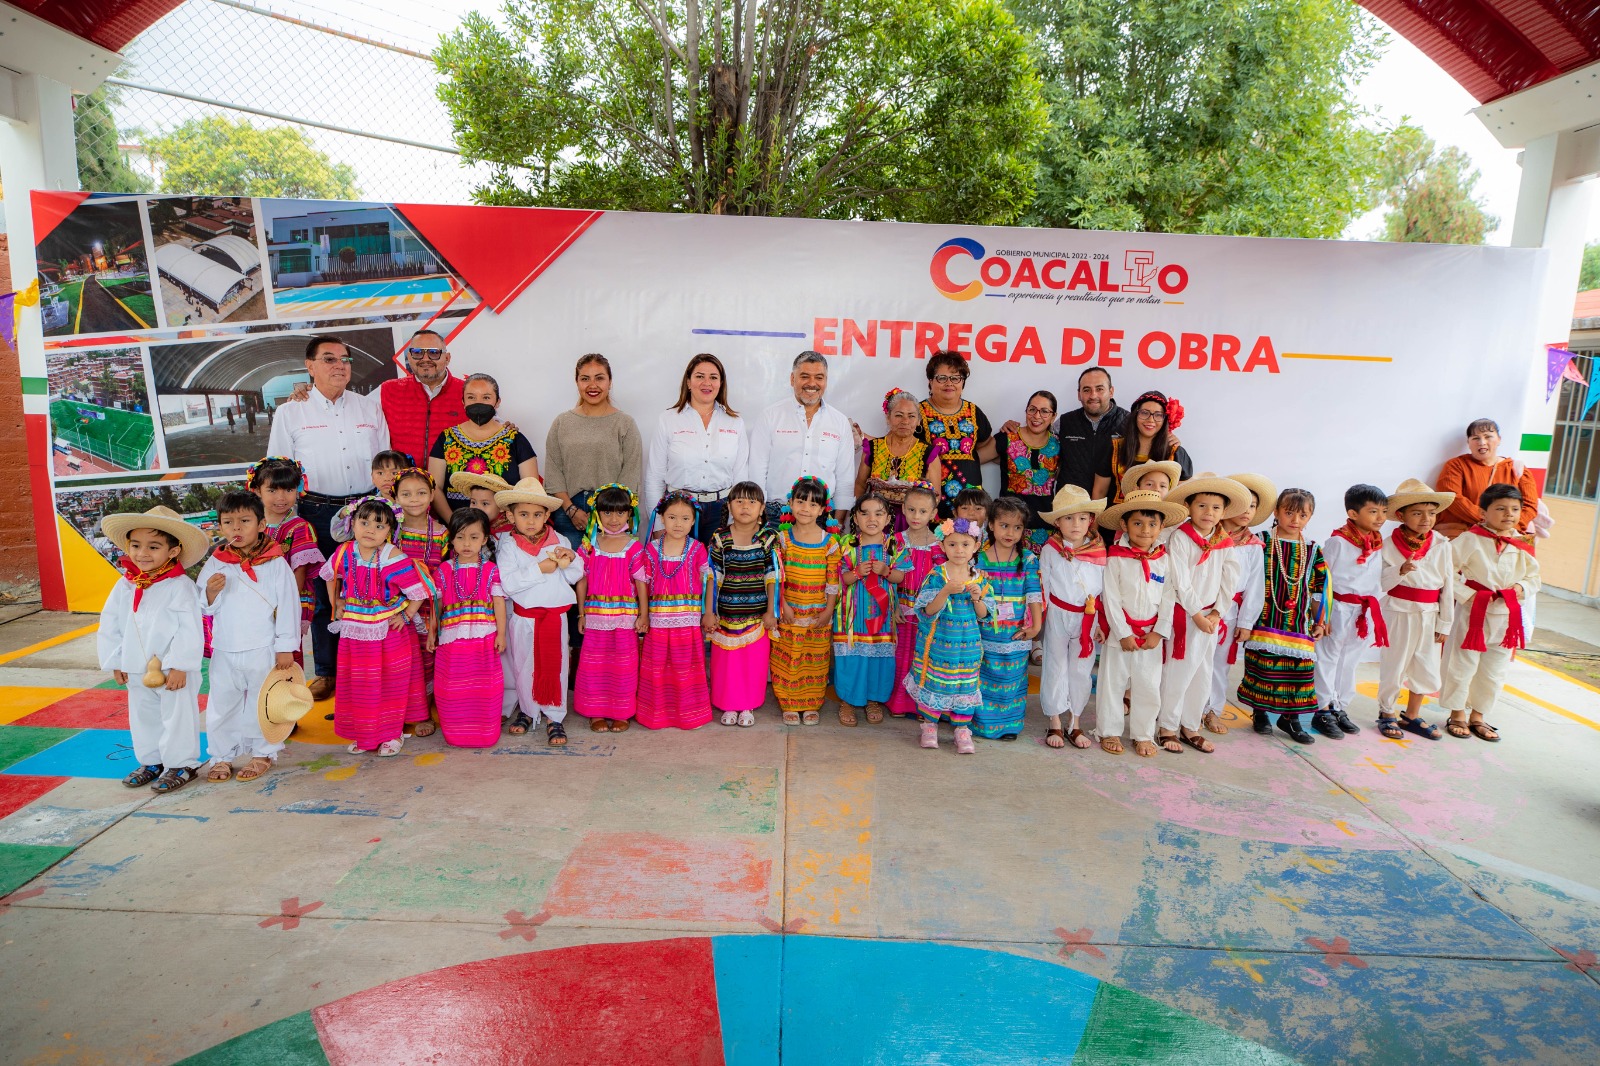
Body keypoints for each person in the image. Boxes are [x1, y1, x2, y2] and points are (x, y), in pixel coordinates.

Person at [267, 335, 391, 701]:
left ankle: (374, 666)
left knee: (373, 589)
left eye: (345, 358)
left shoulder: (369, 408)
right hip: (317, 512)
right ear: (309, 366)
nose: (340, 365)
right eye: (329, 359)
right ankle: (327, 671)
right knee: (325, 594)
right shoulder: (290, 412)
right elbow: (279, 468)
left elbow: (385, 461)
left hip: (368, 511)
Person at [98, 506, 209, 794]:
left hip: (172, 670)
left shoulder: (180, 586)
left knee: (177, 715)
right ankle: (152, 761)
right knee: (143, 714)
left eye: (153, 546)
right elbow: (111, 623)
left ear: (173, 551)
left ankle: (182, 763)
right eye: (135, 545)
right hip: (136, 664)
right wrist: (116, 660)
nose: (142, 553)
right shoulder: (125, 584)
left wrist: (181, 665)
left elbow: (189, 628)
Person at [198, 491, 300, 782]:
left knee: (262, 702)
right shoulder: (217, 562)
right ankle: (221, 755)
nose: (236, 529)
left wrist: (286, 647)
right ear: (220, 526)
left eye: (244, 521)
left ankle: (263, 752)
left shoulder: (275, 562)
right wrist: (210, 593)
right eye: (228, 522)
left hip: (263, 647)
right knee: (221, 703)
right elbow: (202, 603)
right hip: (226, 648)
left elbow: (288, 606)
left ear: (262, 524)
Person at [319, 498, 431, 756]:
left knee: (390, 682)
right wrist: (336, 601)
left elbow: (419, 591)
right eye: (364, 522)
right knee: (360, 682)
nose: (370, 529)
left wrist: (406, 616)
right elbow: (330, 576)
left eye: (379, 526)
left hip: (389, 633)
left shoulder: (393, 556)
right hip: (356, 630)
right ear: (352, 523)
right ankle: (366, 732)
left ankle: (392, 734)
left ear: (390, 531)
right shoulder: (344, 552)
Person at [1157, 475, 1251, 755]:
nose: (1209, 513)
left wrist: (1218, 612)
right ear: (1188, 506)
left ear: (1224, 512)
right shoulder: (1181, 538)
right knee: (1179, 671)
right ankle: (1167, 727)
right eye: (1202, 506)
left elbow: (1230, 580)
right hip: (1186, 616)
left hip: (1211, 618)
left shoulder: (1224, 543)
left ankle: (1190, 725)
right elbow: (1179, 580)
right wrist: (1197, 613)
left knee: (1203, 672)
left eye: (1216, 508)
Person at [1439, 484, 1540, 742]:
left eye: (1515, 509)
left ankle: (1479, 716)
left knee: (1494, 668)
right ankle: (1457, 713)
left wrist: (1520, 587)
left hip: (1506, 614)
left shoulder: (1521, 542)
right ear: (1483, 512)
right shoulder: (1470, 539)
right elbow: (1446, 571)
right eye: (1501, 508)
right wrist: (1468, 594)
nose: (1509, 514)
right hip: (1474, 612)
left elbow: (1534, 577)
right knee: (1463, 663)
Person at [1095, 489, 1186, 757]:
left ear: (1162, 527)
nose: (1145, 530)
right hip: (1120, 636)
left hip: (1150, 637)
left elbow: (1170, 597)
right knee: (1112, 684)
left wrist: (1159, 632)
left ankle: (1143, 733)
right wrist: (1122, 633)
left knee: (1147, 686)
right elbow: (1109, 598)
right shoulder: (1115, 558)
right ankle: (1109, 730)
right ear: (1124, 525)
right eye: (1137, 523)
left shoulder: (1164, 559)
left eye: (1152, 524)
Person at [494, 476, 584, 747]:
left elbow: (577, 573)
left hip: (555, 619)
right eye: (523, 514)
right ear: (511, 515)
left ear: (547, 514)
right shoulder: (507, 546)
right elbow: (508, 584)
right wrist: (539, 569)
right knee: (524, 665)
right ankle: (528, 709)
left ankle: (554, 715)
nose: (530, 520)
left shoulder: (560, 541)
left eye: (537, 514)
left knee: (556, 665)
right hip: (523, 618)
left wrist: (567, 561)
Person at [1237, 488, 1330, 745]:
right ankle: (1260, 713)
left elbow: (1319, 589)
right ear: (1276, 512)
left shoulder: (1313, 550)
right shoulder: (1260, 541)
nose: (1295, 520)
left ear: (1310, 517)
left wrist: (1319, 621)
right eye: (1289, 513)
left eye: (1303, 515)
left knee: (1299, 673)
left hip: (1298, 622)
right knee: (1262, 668)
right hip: (1264, 619)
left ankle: (1290, 717)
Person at [904, 516, 994, 753]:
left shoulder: (981, 579)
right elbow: (926, 610)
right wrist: (945, 591)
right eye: (952, 544)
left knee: (964, 685)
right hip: (938, 646)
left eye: (965, 544)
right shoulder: (937, 575)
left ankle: (962, 730)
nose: (959, 550)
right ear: (943, 546)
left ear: (976, 547)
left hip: (968, 648)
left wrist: (977, 598)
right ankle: (929, 726)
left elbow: (985, 615)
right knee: (935, 682)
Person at [1376, 479, 1457, 741]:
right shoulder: (1387, 545)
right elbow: (1379, 583)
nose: (1426, 519)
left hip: (1429, 613)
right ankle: (1387, 712)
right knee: (1395, 662)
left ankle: (1411, 714)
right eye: (1417, 513)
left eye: (1432, 513)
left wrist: (1445, 623)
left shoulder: (1442, 544)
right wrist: (1399, 571)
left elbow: (1448, 585)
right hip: (1399, 611)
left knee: (1426, 664)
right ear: (1401, 515)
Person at [642, 353, 749, 542]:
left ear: (721, 384)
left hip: (721, 513)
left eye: (713, 377)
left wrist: (735, 520)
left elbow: (740, 478)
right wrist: (658, 525)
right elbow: (655, 476)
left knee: (713, 571)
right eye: (699, 376)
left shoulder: (735, 423)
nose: (706, 383)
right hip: (677, 511)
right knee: (676, 570)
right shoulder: (668, 420)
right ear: (689, 382)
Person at [1312, 485, 1390, 739]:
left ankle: (1339, 705)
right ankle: (1322, 708)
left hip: (1364, 611)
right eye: (1374, 511)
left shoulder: (1378, 544)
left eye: (1384, 512)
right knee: (1328, 657)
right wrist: (1322, 615)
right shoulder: (1338, 541)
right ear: (1353, 513)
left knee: (1350, 660)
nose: (1380, 517)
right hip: (1339, 608)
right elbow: (1322, 579)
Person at [543, 354, 645, 545]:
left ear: (610, 382)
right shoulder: (562, 423)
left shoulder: (625, 424)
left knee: (608, 572)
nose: (592, 385)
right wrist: (571, 510)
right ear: (577, 382)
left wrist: (609, 513)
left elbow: (630, 473)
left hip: (613, 514)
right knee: (571, 571)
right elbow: (553, 472)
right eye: (585, 378)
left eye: (599, 378)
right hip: (568, 513)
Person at [1202, 474, 1276, 735]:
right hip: (1198, 609)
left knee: (1220, 666)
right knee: (1189, 660)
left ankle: (1211, 710)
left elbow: (1256, 587)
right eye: (1243, 504)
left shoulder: (1253, 546)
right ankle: (1180, 711)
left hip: (1229, 614)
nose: (1248, 511)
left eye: (1254, 505)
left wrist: (1245, 622)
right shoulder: (1205, 534)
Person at [428, 507, 507, 748]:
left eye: (474, 537)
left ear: (484, 539)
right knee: (452, 686)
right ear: (451, 538)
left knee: (484, 686)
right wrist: (432, 632)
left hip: (483, 639)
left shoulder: (491, 570)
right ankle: (456, 732)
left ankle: (484, 731)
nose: (466, 543)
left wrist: (501, 634)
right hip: (452, 641)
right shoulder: (443, 570)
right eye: (460, 537)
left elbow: (498, 603)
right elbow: (437, 604)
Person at [749, 352, 857, 526]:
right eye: (804, 376)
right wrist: (758, 515)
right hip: (775, 514)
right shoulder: (770, 416)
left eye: (819, 377)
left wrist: (837, 522)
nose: (812, 383)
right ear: (793, 379)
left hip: (822, 516)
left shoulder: (840, 422)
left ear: (826, 381)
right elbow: (757, 470)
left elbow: (845, 477)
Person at [637, 491, 714, 730]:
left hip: (687, 622)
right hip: (658, 621)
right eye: (672, 517)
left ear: (693, 521)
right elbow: (643, 582)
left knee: (685, 668)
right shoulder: (651, 549)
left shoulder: (698, 549)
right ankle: (657, 715)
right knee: (658, 668)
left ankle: (689, 714)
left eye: (684, 518)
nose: (678, 524)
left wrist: (708, 612)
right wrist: (643, 614)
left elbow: (709, 580)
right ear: (661, 518)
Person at [1037, 485, 1106, 750]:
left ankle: (1074, 722)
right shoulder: (1050, 549)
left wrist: (1101, 621)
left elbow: (1104, 590)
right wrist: (1038, 619)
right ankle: (1054, 719)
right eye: (1068, 517)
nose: (1075, 524)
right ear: (1057, 521)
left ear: (1091, 520)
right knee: (1055, 664)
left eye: (1081, 517)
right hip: (1057, 613)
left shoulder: (1100, 552)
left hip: (1087, 618)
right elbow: (1043, 586)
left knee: (1081, 669)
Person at [574, 485, 648, 732]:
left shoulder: (634, 547)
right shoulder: (589, 545)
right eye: (607, 512)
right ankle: (595, 712)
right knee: (594, 664)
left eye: (619, 513)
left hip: (624, 619)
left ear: (629, 514)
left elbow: (641, 583)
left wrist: (643, 615)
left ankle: (621, 712)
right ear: (597, 514)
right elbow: (581, 578)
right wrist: (582, 613)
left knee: (623, 665)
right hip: (595, 617)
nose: (613, 519)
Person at [772, 476, 844, 725]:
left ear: (823, 510)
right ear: (790, 503)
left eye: (813, 504)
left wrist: (828, 611)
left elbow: (833, 582)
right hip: (790, 610)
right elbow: (777, 577)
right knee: (787, 657)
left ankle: (812, 702)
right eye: (801, 501)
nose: (806, 508)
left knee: (815, 659)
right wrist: (783, 605)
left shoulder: (831, 543)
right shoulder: (781, 540)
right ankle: (788, 702)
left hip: (818, 612)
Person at [708, 482, 780, 728]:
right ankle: (728, 705)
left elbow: (773, 577)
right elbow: (712, 576)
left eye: (752, 502)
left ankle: (747, 705)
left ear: (761, 508)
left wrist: (771, 612)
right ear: (729, 506)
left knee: (752, 663)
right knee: (727, 664)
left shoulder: (768, 538)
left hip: (757, 616)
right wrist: (709, 612)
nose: (745, 506)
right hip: (725, 615)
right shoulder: (720, 538)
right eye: (739, 501)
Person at [973, 497, 1043, 740]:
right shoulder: (977, 559)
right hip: (985, 631)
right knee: (984, 676)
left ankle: (1010, 725)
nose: (1010, 532)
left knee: (1012, 678)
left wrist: (1035, 627)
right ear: (990, 525)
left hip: (1016, 632)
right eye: (1004, 525)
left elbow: (1034, 594)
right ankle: (981, 723)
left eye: (1017, 527)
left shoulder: (1029, 559)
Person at [429, 372, 539, 517]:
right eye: (471, 397)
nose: (478, 403)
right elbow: (434, 487)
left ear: (498, 402)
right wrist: (454, 525)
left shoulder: (515, 439)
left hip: (505, 532)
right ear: (463, 402)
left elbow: (530, 491)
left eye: (486, 397)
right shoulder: (446, 439)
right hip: (459, 532)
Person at [248, 456, 324, 663]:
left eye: (289, 490)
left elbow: (299, 576)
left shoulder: (299, 528)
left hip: (286, 606)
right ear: (256, 490)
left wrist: (284, 609)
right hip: (254, 603)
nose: (281, 497)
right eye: (272, 490)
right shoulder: (249, 525)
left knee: (287, 657)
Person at [832, 494, 897, 726]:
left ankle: (873, 700)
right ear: (855, 518)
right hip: (852, 617)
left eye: (879, 513)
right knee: (851, 658)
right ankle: (847, 701)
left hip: (882, 619)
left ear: (888, 518)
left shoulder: (894, 544)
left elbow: (901, 576)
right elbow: (841, 579)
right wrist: (858, 572)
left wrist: (886, 571)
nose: (872, 519)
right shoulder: (846, 544)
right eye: (865, 513)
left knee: (878, 660)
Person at [394, 468, 448, 738]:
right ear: (395, 496)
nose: (414, 499)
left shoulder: (442, 533)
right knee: (400, 660)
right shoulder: (388, 531)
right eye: (405, 494)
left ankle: (424, 711)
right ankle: (398, 710)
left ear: (432, 496)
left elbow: (447, 575)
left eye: (421, 493)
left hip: (428, 609)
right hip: (393, 607)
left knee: (426, 659)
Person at [885, 483, 944, 719]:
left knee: (924, 657)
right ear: (903, 509)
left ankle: (923, 706)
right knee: (901, 657)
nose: (916, 516)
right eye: (911, 510)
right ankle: (898, 704)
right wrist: (893, 605)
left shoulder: (940, 545)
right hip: (900, 610)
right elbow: (886, 578)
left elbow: (942, 580)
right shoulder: (894, 541)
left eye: (922, 511)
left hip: (927, 614)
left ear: (933, 513)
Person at [378, 329, 467, 478]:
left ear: (447, 357)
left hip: (454, 488)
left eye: (433, 352)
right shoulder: (389, 390)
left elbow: (487, 428)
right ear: (409, 357)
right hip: (404, 488)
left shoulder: (466, 391)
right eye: (418, 352)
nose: (425, 358)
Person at [979, 391, 1060, 549]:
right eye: (1032, 409)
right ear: (1026, 411)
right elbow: (974, 459)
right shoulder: (1008, 437)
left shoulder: (1058, 445)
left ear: (1053, 416)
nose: (1037, 416)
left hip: (1046, 531)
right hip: (1008, 528)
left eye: (1044, 411)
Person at [1435, 418, 1540, 539]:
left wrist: (1507, 527)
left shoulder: (1517, 469)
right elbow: (1452, 499)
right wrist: (1490, 523)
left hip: (1506, 535)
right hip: (1462, 534)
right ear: (1468, 443)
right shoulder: (1456, 466)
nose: (1482, 442)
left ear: (1499, 440)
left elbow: (1530, 506)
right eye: (1475, 438)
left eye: (1488, 437)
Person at [917, 351, 993, 514]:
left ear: (962, 383)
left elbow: (985, 444)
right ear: (930, 382)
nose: (949, 383)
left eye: (955, 378)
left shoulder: (974, 411)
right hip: (932, 502)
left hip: (971, 501)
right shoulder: (917, 413)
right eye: (942, 378)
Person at [857, 388, 943, 530]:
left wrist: (917, 516)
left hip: (911, 527)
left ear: (918, 421)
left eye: (911, 416)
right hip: (875, 524)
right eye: (899, 415)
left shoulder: (929, 453)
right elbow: (860, 485)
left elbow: (935, 496)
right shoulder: (872, 448)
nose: (905, 421)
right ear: (888, 417)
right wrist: (860, 515)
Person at [1091, 391, 1193, 504]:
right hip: (1116, 519)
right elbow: (1100, 492)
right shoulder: (1113, 448)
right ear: (1135, 415)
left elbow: (1182, 499)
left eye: (1158, 415)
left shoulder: (1176, 452)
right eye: (1144, 413)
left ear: (1165, 420)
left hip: (1158, 520)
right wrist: (1095, 521)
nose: (1150, 420)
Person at [331, 450, 408, 542]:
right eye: (380, 473)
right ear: (372, 477)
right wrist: (343, 514)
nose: (387, 478)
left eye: (394, 473)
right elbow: (339, 536)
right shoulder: (365, 506)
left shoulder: (414, 505)